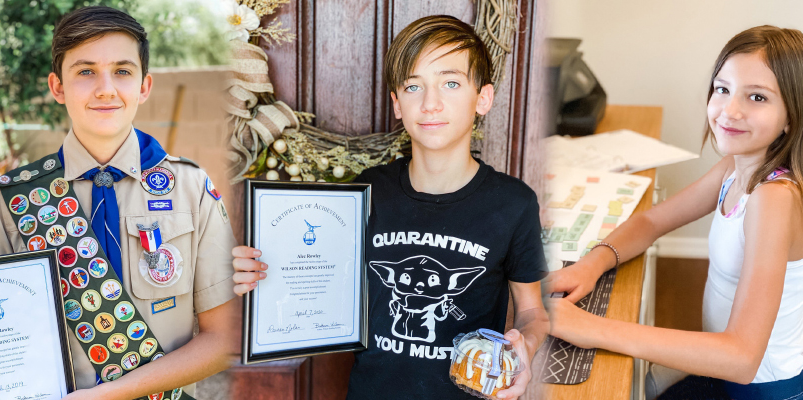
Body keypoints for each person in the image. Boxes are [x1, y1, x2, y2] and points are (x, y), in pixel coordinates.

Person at [232, 15, 549, 399]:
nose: (431, 104)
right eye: (414, 87)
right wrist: (257, 272)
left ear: (482, 97)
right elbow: (307, 271)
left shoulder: (514, 204)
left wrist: (526, 346)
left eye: (450, 83)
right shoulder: (362, 195)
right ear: (398, 104)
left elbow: (532, 311)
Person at [0, 6, 238, 400]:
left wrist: (106, 395)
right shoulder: (16, 199)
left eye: (122, 71)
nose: (105, 88)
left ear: (144, 86)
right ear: (57, 87)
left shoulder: (190, 187)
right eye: (85, 71)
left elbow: (224, 339)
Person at [545, 25, 803, 400]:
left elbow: (743, 358)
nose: (729, 110)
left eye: (757, 98)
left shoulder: (775, 198)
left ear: (792, 116)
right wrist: (592, 263)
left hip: (761, 389)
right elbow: (653, 221)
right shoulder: (736, 167)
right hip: (730, 367)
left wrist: (588, 327)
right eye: (722, 89)